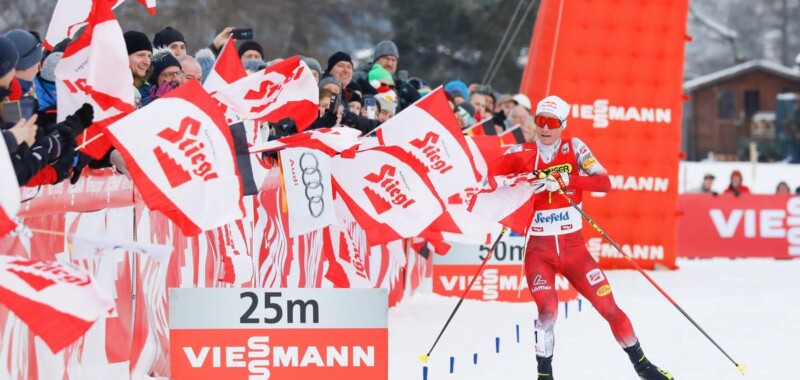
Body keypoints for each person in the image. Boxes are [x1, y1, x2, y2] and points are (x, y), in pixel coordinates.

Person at [524, 95, 673, 380]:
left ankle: (643, 366)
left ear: (562, 125)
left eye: (552, 123)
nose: (545, 128)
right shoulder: (524, 153)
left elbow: (604, 182)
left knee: (610, 308)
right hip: (539, 252)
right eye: (540, 121)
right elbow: (497, 183)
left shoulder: (575, 148)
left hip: (574, 251)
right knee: (547, 311)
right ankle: (545, 376)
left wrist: (568, 180)